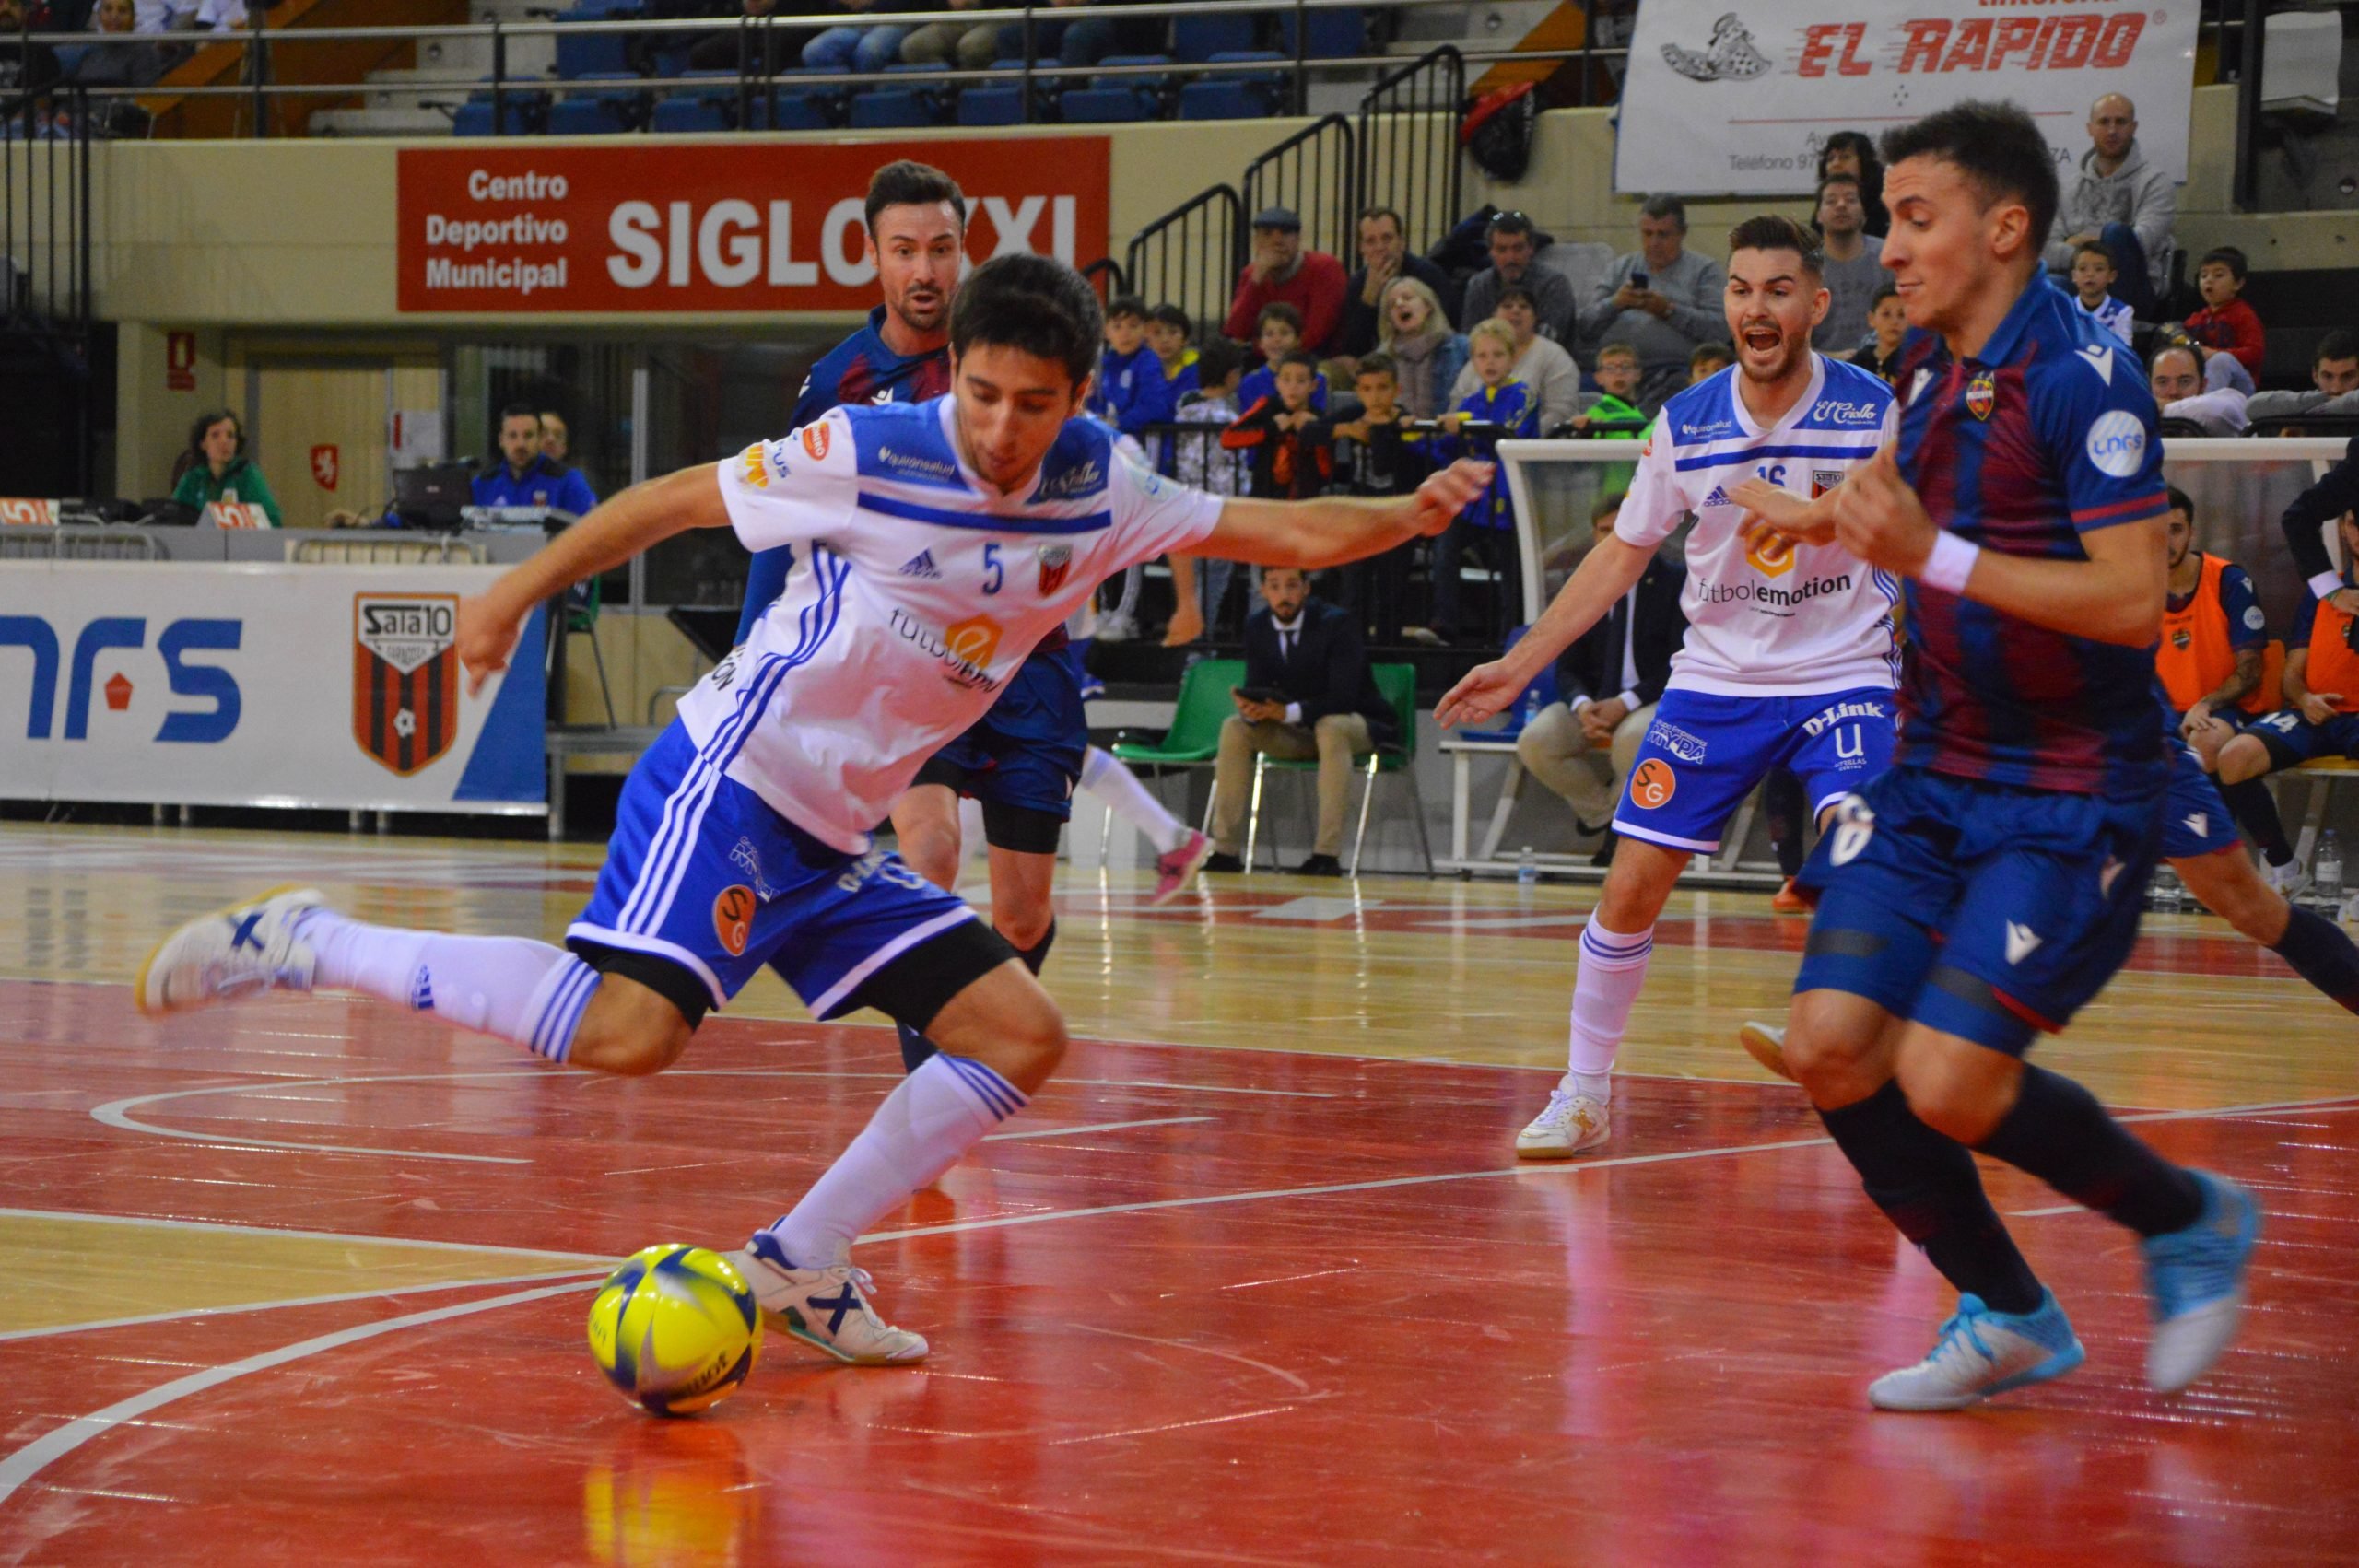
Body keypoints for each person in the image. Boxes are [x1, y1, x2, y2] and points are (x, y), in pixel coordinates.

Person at [138, 252, 1492, 1371]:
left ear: (1082, 394)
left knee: (1018, 1032)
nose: (1002, 429)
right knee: (627, 1034)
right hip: (737, 779)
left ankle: (797, 1260)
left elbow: (1292, 533)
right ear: (948, 371)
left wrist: (1407, 509)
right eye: (980, 393)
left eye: (1034, 402)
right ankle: (307, 938)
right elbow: (668, 505)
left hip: (837, 830)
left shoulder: (1105, 487)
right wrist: (508, 596)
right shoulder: (866, 448)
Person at [1754, 101, 2256, 1411]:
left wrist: (1933, 557)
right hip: (1931, 774)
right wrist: (1816, 517)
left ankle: (2189, 1217)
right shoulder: (1923, 364)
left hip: (2073, 790)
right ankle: (2013, 1311)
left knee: (1951, 1077)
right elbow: (1913, 504)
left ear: (2007, 227)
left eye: (1916, 220)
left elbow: (2134, 600)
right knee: (1827, 1047)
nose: (1886, 247)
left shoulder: (2088, 379)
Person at [1438, 214, 1902, 1164]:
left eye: (1778, 289)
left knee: (1863, 850)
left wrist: (1819, 521)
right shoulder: (1685, 423)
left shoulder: (1872, 407)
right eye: (1740, 288)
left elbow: (1910, 530)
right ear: (1724, 303)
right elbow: (1618, 556)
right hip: (1717, 682)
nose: (1757, 307)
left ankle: (1859, 1054)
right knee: (1631, 887)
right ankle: (1584, 1091)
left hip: (1843, 671)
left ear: (1815, 302)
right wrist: (1520, 660)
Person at [734, 159, 960, 649]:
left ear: (962, 252)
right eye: (904, 251)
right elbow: (787, 510)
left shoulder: (995, 364)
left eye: (940, 250)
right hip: (874, 652)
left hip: (989, 649)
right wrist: (745, 644)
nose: (924, 272)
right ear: (873, 254)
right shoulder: (836, 381)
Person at [1200, 566, 1398, 876]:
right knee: (1234, 728)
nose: (1284, 596)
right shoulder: (1257, 626)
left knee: (1330, 725)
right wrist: (1252, 710)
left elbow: (1343, 698)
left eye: (1292, 586)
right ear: (1263, 591)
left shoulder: (1337, 624)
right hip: (1299, 730)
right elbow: (1261, 688)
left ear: (1306, 588)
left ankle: (1326, 855)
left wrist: (1287, 713)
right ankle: (1224, 851)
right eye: (1275, 587)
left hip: (1358, 724)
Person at [1515, 493, 1685, 854]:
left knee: (1632, 738)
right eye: (1601, 530)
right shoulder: (1582, 584)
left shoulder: (1675, 581)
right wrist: (1582, 706)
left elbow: (1678, 662)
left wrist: (1623, 703)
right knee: (1536, 741)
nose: (1609, 539)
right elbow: (1567, 666)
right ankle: (1607, 818)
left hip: (1652, 700)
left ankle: (1623, 834)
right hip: (1592, 703)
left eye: (1618, 528)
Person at [1429, 318, 1541, 643]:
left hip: (1510, 499)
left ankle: (1512, 636)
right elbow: (1448, 449)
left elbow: (1506, 431)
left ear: (1512, 358)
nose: (1489, 362)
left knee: (1511, 574)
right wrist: (1417, 434)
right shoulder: (1471, 401)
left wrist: (1465, 424)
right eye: (1481, 356)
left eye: (1497, 355)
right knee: (1444, 545)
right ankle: (1444, 623)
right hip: (1473, 500)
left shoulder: (1524, 396)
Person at [1577, 196, 1730, 411]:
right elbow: (1585, 325)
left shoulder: (1704, 271)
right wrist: (1615, 304)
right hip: (1617, 370)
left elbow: (1721, 330)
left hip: (1674, 370)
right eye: (1647, 234)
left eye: (1663, 235)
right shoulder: (1620, 268)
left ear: (1682, 233)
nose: (1654, 243)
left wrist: (1668, 311)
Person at [1320, 351, 1430, 640]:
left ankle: (1389, 653)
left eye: (1383, 388)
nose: (1375, 396)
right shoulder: (1353, 415)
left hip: (1397, 514)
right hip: (1360, 513)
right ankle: (1352, 650)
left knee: (1391, 588)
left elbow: (1384, 462)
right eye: (1367, 389)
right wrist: (1344, 430)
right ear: (1357, 391)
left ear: (1397, 390)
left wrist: (1381, 429)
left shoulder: (1406, 422)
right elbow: (1313, 431)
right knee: (1354, 585)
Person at [2045, 92, 2175, 317]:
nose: (2112, 130)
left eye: (2121, 122)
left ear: (2133, 127)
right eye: (2104, 122)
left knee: (2117, 233)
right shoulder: (2067, 188)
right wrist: (2090, 262)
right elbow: (2046, 250)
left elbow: (2141, 242)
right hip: (2078, 287)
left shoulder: (2155, 182)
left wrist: (2079, 241)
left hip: (2132, 293)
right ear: (2090, 128)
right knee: (2049, 285)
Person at [1449, 286, 1579, 433]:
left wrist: (1520, 440)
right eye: (1507, 306)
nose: (1516, 311)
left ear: (1535, 317)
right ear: (1494, 315)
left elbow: (1561, 413)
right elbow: (1456, 406)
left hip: (1537, 448)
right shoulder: (1477, 359)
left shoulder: (1555, 356)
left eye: (1524, 306)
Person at [1222, 206, 1349, 356]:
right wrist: (1255, 281)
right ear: (1256, 242)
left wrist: (1267, 348)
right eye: (1267, 234)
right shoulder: (1251, 274)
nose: (1277, 241)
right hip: (1266, 356)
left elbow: (1318, 332)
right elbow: (1235, 332)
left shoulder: (1324, 267)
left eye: (1286, 233)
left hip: (1317, 356)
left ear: (1298, 239)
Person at [1337, 205, 1456, 360]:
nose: (1380, 247)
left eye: (1387, 238)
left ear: (1401, 242)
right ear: (1362, 248)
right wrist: (1368, 300)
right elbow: (1354, 350)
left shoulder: (1429, 275)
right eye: (1371, 241)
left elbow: (1446, 328)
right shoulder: (1358, 283)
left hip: (1429, 357)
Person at [1223, 351, 1332, 502]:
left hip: (1304, 501)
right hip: (1265, 497)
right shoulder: (1267, 406)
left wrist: (1316, 432)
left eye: (1301, 381)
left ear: (1313, 385)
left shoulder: (1317, 418)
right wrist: (1271, 427)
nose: (1293, 387)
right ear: (1277, 383)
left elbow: (1326, 470)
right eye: (1286, 380)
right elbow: (1228, 438)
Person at [1458, 212, 1577, 346]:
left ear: (1531, 249)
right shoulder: (1479, 285)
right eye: (1502, 250)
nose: (1511, 258)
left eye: (1518, 249)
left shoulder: (1553, 284)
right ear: (1490, 252)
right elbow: (1470, 338)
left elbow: (1549, 340)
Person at [474, 404, 599, 517]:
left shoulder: (567, 481)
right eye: (513, 436)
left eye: (528, 435)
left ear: (539, 439)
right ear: (501, 440)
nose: (520, 444)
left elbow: (592, 530)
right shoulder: (483, 484)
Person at [1376, 275, 1467, 422]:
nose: (1399, 304)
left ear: (1428, 305)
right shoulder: (1383, 358)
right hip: (1399, 440)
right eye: (1392, 304)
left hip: (1448, 439)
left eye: (1407, 297)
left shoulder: (1460, 348)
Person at [171, 409, 283, 528]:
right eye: (215, 435)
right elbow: (172, 518)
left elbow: (272, 519)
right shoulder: (193, 478)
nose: (224, 441)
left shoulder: (248, 475)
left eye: (230, 436)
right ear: (203, 443)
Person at [1812, 173, 1884, 353]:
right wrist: (1833, 359)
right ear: (1819, 215)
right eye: (1831, 201)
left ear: (1864, 212)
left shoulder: (1887, 257)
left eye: (1851, 200)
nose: (1841, 205)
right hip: (1824, 368)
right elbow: (1794, 341)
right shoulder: (1806, 266)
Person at [1091, 294, 1174, 437]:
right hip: (1113, 444)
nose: (1125, 333)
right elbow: (1098, 406)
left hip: (1143, 446)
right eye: (1117, 327)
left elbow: (1154, 407)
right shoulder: (1105, 364)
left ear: (1146, 330)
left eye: (1133, 326)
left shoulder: (1148, 361)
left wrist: (1117, 423)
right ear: (1106, 332)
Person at [2181, 247, 2265, 387]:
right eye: (2204, 275)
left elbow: (2255, 353)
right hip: (2203, 381)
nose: (2209, 280)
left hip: (2238, 387)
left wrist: (2214, 354)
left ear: (2238, 283)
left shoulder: (2243, 314)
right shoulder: (2196, 319)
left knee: (2221, 360)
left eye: (2218, 275)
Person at [2248, 329, 2359, 423]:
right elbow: (2253, 406)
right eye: (2328, 377)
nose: (2336, 388)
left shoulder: (2299, 410)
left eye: (2347, 377)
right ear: (2315, 375)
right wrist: (2322, 400)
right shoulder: (2306, 402)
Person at [1237, 302, 1329, 415]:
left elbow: (1317, 419)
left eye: (1284, 333)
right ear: (1260, 342)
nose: (1277, 340)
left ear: (1298, 339)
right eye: (1269, 334)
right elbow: (1247, 424)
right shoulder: (1250, 382)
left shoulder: (1317, 378)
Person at [802, 0, 926, 75]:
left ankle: (865, 105)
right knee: (814, 51)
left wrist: (872, 2)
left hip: (894, 18)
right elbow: (832, 5)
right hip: (853, 20)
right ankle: (837, 102)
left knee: (869, 49)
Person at [2151, 343, 2248, 437]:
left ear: (2203, 385)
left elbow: (2214, 413)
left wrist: (2153, 407)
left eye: (2184, 382)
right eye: (2162, 382)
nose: (2173, 391)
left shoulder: (2229, 402)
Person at [1817, 131, 1887, 238]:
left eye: (1845, 157)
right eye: (1830, 159)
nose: (1836, 164)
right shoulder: (1824, 200)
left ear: (1864, 162)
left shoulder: (1885, 200)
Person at [2067, 241, 2135, 345]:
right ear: (2074, 276)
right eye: (2082, 269)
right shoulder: (2063, 309)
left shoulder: (2122, 313)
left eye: (2099, 269)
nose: (2090, 274)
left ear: (2112, 276)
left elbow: (2124, 354)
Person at [1854, 281, 1907, 382]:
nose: (1894, 322)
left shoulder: (1916, 363)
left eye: (1901, 315)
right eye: (1886, 314)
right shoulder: (1858, 363)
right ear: (1871, 319)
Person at [1144, 303, 1198, 401]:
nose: (1165, 339)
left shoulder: (1198, 370)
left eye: (1173, 332)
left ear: (1185, 339)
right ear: (1147, 340)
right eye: (1157, 333)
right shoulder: (1141, 372)